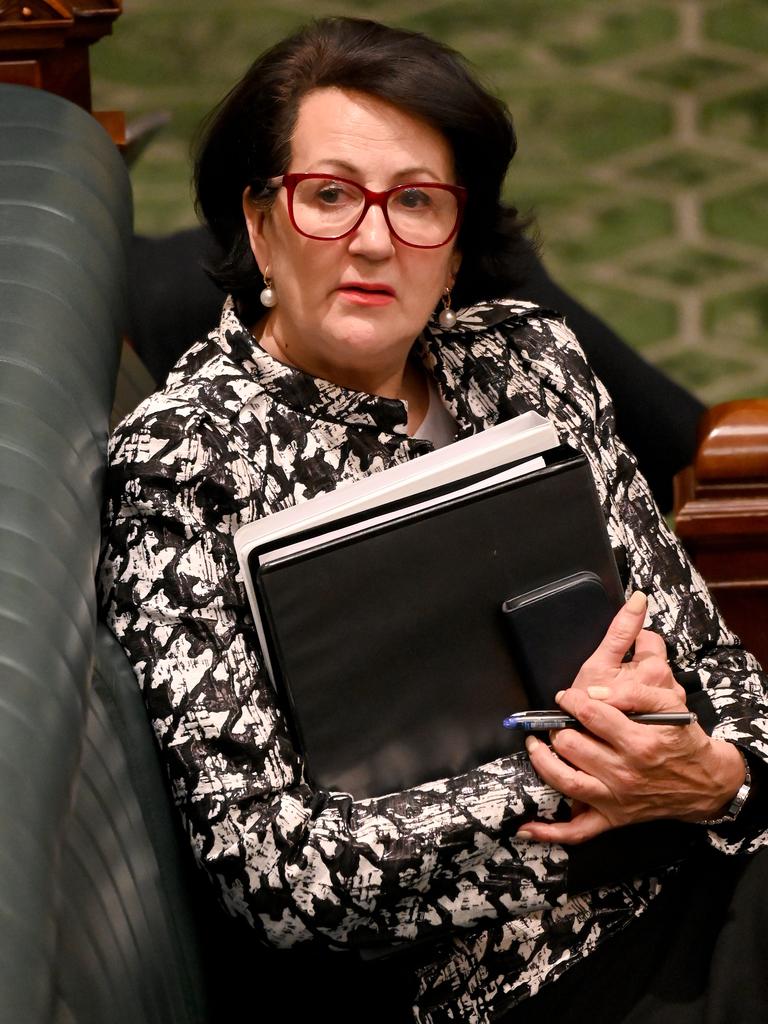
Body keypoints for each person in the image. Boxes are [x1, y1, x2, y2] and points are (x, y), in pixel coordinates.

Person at [98, 17, 768, 1023]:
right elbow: (276, 871)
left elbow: (718, 673)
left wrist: (712, 774)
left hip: (712, 869)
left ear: (456, 247)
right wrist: (614, 786)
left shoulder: (527, 358)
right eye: (328, 196)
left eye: (416, 201)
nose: (373, 238)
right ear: (259, 223)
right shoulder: (184, 459)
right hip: (512, 989)